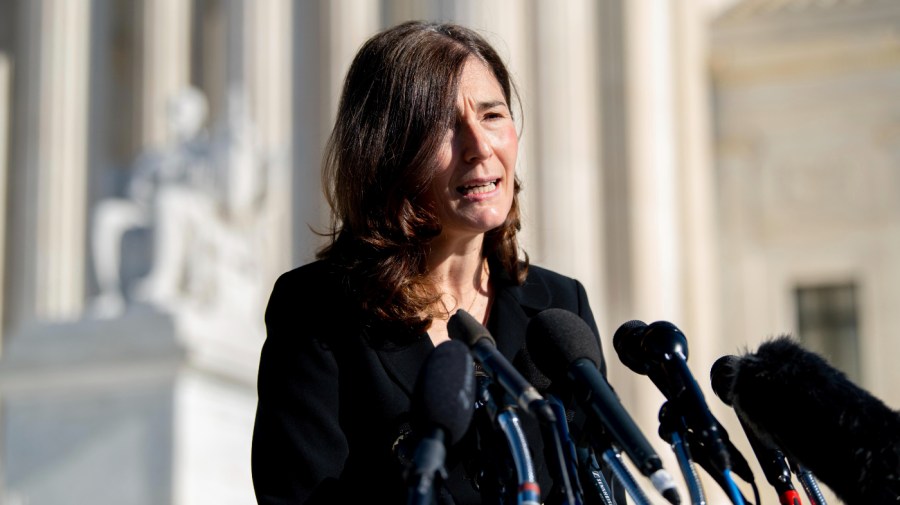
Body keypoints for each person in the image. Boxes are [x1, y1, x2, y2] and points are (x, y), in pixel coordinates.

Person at [251, 21, 610, 504]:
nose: (479, 146)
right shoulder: (317, 311)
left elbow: (595, 484)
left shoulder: (561, 310)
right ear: (386, 153)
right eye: (443, 124)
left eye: (492, 115)